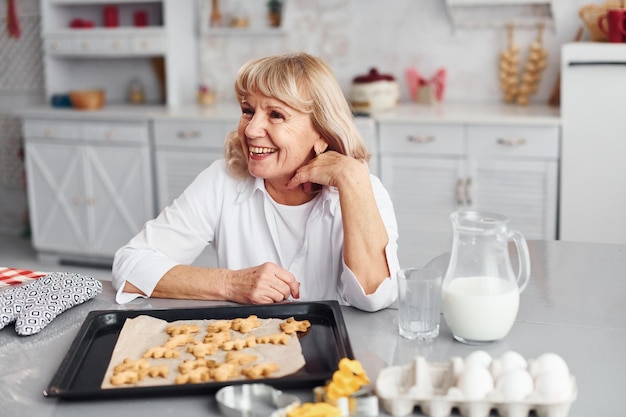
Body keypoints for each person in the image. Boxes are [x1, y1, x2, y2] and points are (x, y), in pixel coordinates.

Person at [112, 52, 400, 312]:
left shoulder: (362, 187)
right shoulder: (223, 180)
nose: (250, 130)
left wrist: (351, 178)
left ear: (322, 133)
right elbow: (130, 264)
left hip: (339, 360)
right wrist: (230, 283)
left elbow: (375, 297)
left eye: (276, 114)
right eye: (248, 110)